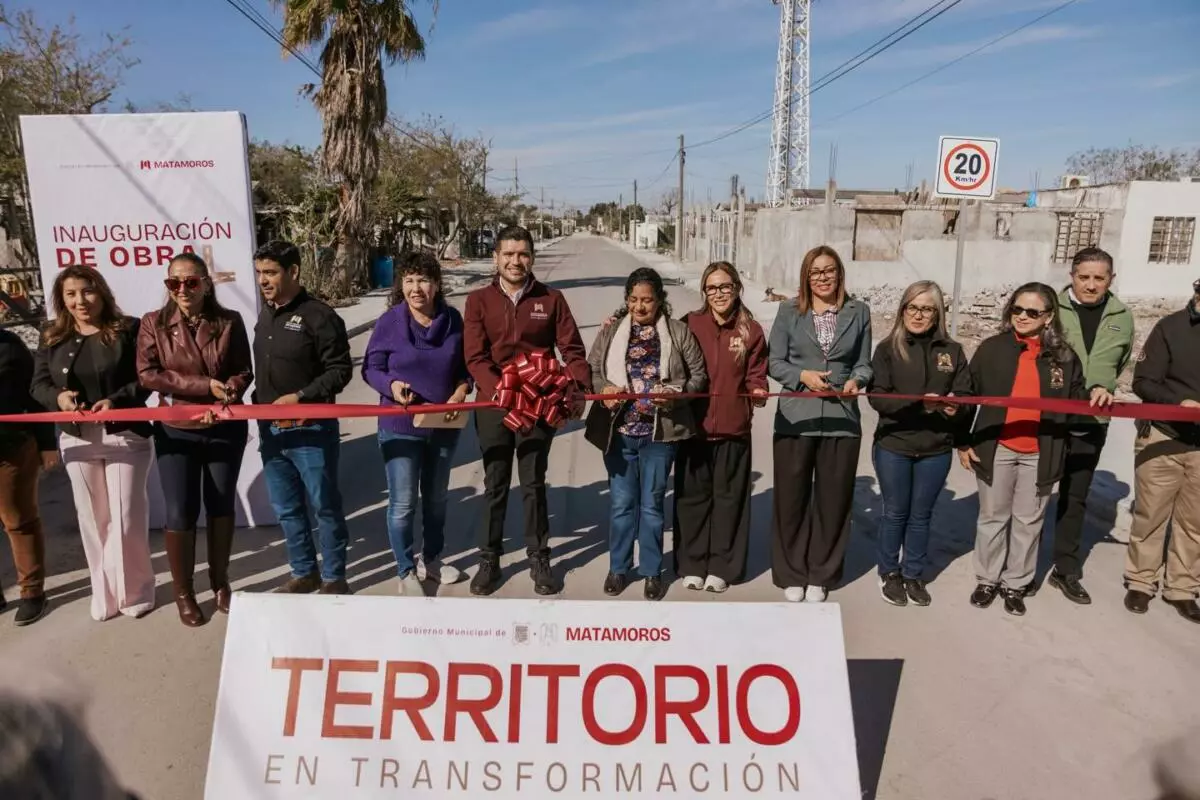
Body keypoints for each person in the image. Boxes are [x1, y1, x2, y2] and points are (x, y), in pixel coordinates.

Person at [463, 225, 591, 597]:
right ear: (496, 258)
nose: (515, 261)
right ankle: (489, 559)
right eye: (508, 254)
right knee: (495, 483)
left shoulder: (551, 299)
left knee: (534, 482)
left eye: (522, 254)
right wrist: (501, 389)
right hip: (494, 404)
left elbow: (572, 349)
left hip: (538, 405)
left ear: (531, 257)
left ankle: (539, 556)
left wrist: (578, 386)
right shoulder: (478, 301)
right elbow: (474, 356)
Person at [960, 282, 1094, 617]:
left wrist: (1099, 396)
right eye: (1017, 309)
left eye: (1032, 312)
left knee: (1028, 521)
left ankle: (1015, 584)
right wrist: (962, 440)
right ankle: (987, 579)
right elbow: (965, 395)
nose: (1021, 316)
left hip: (1041, 451)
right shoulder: (992, 349)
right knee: (992, 517)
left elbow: (1078, 402)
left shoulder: (1064, 357)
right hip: (997, 446)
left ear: (1048, 317)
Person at [31, 266, 154, 621]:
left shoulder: (128, 329)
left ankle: (136, 591)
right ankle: (104, 593)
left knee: (126, 516)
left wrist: (116, 400)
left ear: (101, 293)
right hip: (77, 439)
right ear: (62, 299)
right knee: (92, 519)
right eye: (71, 294)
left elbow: (146, 378)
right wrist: (59, 399)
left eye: (87, 292)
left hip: (124, 436)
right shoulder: (51, 336)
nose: (80, 301)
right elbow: (38, 385)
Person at [136, 253, 253, 626]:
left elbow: (243, 371)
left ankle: (220, 583)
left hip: (223, 427)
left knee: (220, 505)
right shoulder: (152, 324)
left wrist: (231, 390)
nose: (182, 289)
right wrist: (205, 387)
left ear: (206, 283)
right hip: (176, 430)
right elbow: (148, 375)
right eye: (174, 283)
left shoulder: (229, 321)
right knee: (180, 511)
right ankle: (183, 592)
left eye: (191, 282)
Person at [585, 267, 706, 600]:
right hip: (619, 433)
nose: (640, 306)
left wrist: (677, 391)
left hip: (659, 435)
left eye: (647, 300)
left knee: (652, 505)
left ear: (659, 301)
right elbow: (592, 368)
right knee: (622, 505)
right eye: (634, 299)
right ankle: (619, 569)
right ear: (626, 300)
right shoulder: (611, 332)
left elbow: (698, 376)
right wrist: (604, 388)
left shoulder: (678, 332)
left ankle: (652, 571)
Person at [361, 250, 470, 597]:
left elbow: (465, 367)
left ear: (437, 284)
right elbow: (371, 368)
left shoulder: (453, 321)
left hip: (442, 425)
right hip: (399, 426)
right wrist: (392, 387)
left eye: (423, 280)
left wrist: (461, 390)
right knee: (403, 503)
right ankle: (406, 568)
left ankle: (433, 559)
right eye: (408, 280)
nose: (415, 288)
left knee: (437, 499)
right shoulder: (390, 322)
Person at [768, 245, 873, 603]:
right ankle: (791, 572)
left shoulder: (859, 312)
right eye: (816, 272)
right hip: (796, 418)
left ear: (839, 273)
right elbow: (775, 363)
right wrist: (802, 376)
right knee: (791, 498)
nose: (823, 277)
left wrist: (856, 380)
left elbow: (864, 362)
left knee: (833, 501)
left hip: (841, 421)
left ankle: (822, 572)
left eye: (829, 270)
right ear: (806, 276)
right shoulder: (787, 311)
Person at [252, 241, 353, 595]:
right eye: (259, 273)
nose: (263, 280)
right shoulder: (265, 314)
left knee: (325, 506)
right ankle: (303, 572)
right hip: (272, 433)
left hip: (311, 429)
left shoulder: (320, 316)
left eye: (271, 272)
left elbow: (340, 371)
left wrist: (300, 397)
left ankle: (335, 577)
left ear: (293, 271)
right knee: (287, 509)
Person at [868, 280, 972, 608]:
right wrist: (918, 403)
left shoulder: (952, 351)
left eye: (926, 308)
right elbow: (878, 398)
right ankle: (890, 572)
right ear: (902, 309)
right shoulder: (888, 348)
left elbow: (967, 394)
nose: (918, 314)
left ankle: (913, 573)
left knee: (921, 515)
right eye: (912, 307)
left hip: (935, 449)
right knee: (896, 512)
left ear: (937, 313)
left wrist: (958, 406)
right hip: (894, 445)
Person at [673, 261, 767, 593]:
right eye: (711, 288)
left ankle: (722, 566)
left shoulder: (750, 330)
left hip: (733, 428)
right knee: (692, 500)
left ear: (737, 288)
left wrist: (757, 390)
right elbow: (661, 343)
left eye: (725, 287)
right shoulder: (688, 324)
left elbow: (757, 372)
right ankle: (692, 563)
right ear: (704, 292)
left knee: (729, 501)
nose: (718, 294)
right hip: (694, 428)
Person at [1047, 247, 1132, 604]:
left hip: (1092, 421)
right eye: (1084, 277)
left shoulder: (1122, 316)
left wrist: (1102, 387)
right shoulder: (1051, 309)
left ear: (1111, 279)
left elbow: (1121, 361)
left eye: (1100, 278)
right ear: (1072, 276)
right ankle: (1013, 568)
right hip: (1049, 418)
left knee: (1075, 495)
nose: (1091, 285)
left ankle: (1065, 569)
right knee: (1032, 494)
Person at [1123, 278, 1200, 624]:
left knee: (1194, 522)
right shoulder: (1170, 327)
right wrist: (1177, 403)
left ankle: (1182, 588)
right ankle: (1141, 580)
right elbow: (1143, 381)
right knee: (1151, 515)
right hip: (1163, 436)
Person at [0, 329, 59, 626]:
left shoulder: (10, 346)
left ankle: (32, 593)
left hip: (12, 448)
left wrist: (48, 443)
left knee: (18, 520)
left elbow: (35, 395)